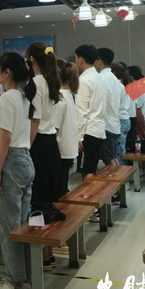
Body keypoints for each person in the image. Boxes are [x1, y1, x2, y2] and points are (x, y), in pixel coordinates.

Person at [0, 52, 33, 289]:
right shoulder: (23, 97)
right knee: (21, 224)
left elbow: (4, 138)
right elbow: (10, 129)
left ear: (7, 72)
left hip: (12, 162)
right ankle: (24, 277)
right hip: (25, 159)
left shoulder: (7, 97)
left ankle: (14, 282)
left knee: (7, 225)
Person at [24, 42, 63, 268]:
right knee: (46, 198)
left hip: (38, 144)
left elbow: (34, 120)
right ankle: (47, 252)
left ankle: (42, 254)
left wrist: (26, 148)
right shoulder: (51, 81)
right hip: (51, 144)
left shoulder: (35, 83)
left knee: (36, 199)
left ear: (31, 60)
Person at [74, 45, 107, 179]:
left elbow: (81, 111)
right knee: (92, 168)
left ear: (81, 59)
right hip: (98, 129)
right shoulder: (99, 78)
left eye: (76, 58)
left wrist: (79, 136)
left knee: (87, 171)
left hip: (88, 131)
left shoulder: (83, 80)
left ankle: (90, 193)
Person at [55, 59, 79, 195]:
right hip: (68, 147)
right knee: (62, 186)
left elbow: (55, 128)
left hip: (61, 149)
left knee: (59, 189)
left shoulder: (59, 97)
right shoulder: (68, 93)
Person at [94, 48, 121, 167]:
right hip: (114, 124)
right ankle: (119, 177)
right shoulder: (113, 78)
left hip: (106, 125)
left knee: (109, 161)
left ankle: (118, 178)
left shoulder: (102, 78)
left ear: (99, 61)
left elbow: (100, 103)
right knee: (112, 159)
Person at [111, 62, 131, 166]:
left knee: (119, 152)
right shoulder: (123, 85)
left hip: (120, 120)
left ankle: (122, 172)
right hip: (125, 119)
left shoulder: (117, 86)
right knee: (120, 149)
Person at [127, 65, 145, 151]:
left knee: (138, 141)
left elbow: (134, 105)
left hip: (139, 116)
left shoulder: (135, 86)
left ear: (131, 76)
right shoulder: (142, 84)